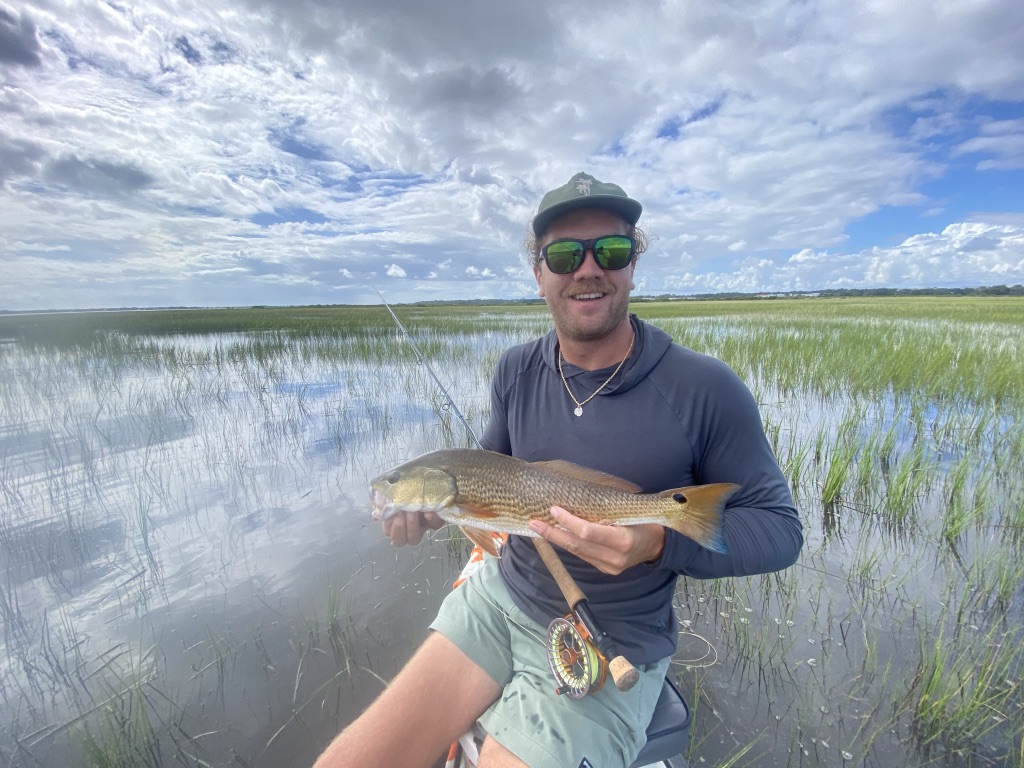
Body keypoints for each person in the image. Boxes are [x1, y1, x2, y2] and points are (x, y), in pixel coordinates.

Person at [313, 172, 803, 768]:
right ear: (539, 273)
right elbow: (486, 474)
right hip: (500, 601)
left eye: (612, 250)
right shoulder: (515, 369)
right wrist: (436, 516)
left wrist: (655, 544)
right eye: (565, 254)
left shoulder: (704, 389)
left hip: (609, 641)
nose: (588, 268)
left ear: (632, 264)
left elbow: (780, 530)